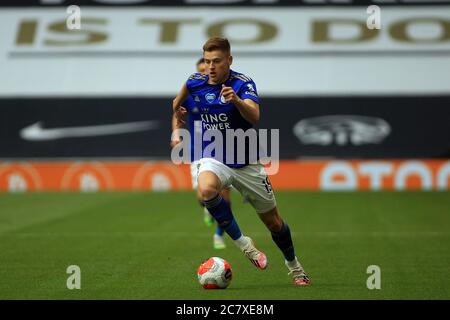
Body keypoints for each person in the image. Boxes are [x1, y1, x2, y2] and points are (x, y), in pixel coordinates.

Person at [171, 37, 310, 285]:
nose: (211, 66)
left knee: (274, 223)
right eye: (207, 61)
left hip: (247, 162)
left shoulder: (242, 83)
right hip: (213, 156)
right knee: (206, 190)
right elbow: (175, 103)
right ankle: (245, 245)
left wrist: (235, 100)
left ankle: (295, 267)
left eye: (216, 61)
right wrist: (178, 120)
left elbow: (254, 116)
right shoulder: (194, 82)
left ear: (229, 60)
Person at [171, 58, 229, 250]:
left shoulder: (225, 90)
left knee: (225, 195)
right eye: (202, 70)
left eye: (208, 68)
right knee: (202, 196)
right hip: (199, 151)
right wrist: (176, 134)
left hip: (223, 148)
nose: (206, 72)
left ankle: (219, 236)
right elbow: (176, 112)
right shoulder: (191, 93)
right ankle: (208, 208)